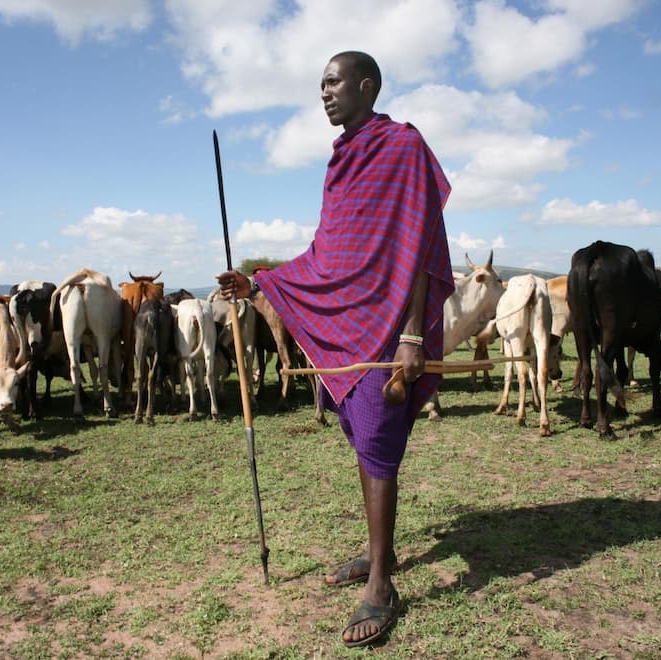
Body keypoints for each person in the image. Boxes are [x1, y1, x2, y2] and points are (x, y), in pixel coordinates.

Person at [217, 50, 453, 648]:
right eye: (319, 84)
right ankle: (385, 553)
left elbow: (419, 246)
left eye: (332, 82)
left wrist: (411, 334)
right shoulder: (341, 160)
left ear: (365, 86)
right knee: (363, 440)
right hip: (351, 324)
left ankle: (380, 585)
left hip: (388, 327)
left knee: (377, 442)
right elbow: (330, 253)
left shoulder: (402, 148)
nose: (323, 93)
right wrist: (260, 282)